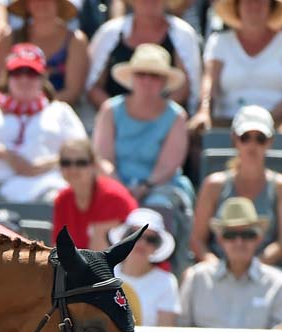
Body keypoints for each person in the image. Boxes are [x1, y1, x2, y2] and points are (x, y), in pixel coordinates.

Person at [0, 44, 85, 203]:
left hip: (42, 185)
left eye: (31, 73)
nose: (24, 79)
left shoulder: (60, 111)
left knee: (59, 199)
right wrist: (8, 156)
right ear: (7, 77)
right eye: (17, 73)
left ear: (43, 78)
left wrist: (46, 164)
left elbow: (82, 151)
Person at [91, 44, 192, 227]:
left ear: (163, 82)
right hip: (115, 183)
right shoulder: (110, 110)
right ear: (132, 77)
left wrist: (144, 187)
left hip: (159, 186)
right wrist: (121, 189)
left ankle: (162, 255)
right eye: (141, 74)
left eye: (154, 76)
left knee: (159, 209)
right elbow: (103, 159)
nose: (147, 80)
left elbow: (168, 165)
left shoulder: (177, 116)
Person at [190, 106, 282, 267]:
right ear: (234, 139)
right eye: (245, 137)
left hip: (266, 275)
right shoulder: (213, 185)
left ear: (270, 142)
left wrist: (252, 271)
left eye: (260, 138)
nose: (252, 145)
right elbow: (198, 240)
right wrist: (220, 271)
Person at [191, 0, 282, 139]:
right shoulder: (218, 41)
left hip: (278, 125)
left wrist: (263, 120)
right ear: (237, 6)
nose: (254, 5)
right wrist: (204, 111)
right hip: (226, 124)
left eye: (261, 1)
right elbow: (209, 81)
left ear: (271, 7)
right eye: (247, 1)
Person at [179, 196, 282, 331]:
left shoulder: (277, 282)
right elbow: (180, 327)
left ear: (259, 239)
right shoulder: (196, 277)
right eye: (230, 235)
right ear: (220, 240)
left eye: (247, 235)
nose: (239, 242)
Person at [85, 0, 200, 110]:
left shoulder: (184, 33)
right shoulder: (108, 32)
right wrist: (118, 115)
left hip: (169, 125)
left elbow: (185, 87)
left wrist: (161, 117)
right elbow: (93, 86)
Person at [0, 0, 89, 106]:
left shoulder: (75, 40)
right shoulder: (10, 38)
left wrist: (38, 108)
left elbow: (72, 92)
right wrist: (9, 106)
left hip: (57, 113)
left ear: (59, 3)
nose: (41, 3)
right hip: (9, 112)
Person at [51, 135, 136, 249]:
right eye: (66, 162)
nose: (73, 169)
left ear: (94, 166)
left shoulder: (112, 196)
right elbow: (59, 250)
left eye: (81, 163)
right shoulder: (63, 199)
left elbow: (98, 258)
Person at [107, 207, 178, 328]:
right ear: (124, 238)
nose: (142, 243)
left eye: (151, 239)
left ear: (157, 246)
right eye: (135, 235)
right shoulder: (104, 274)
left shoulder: (166, 281)